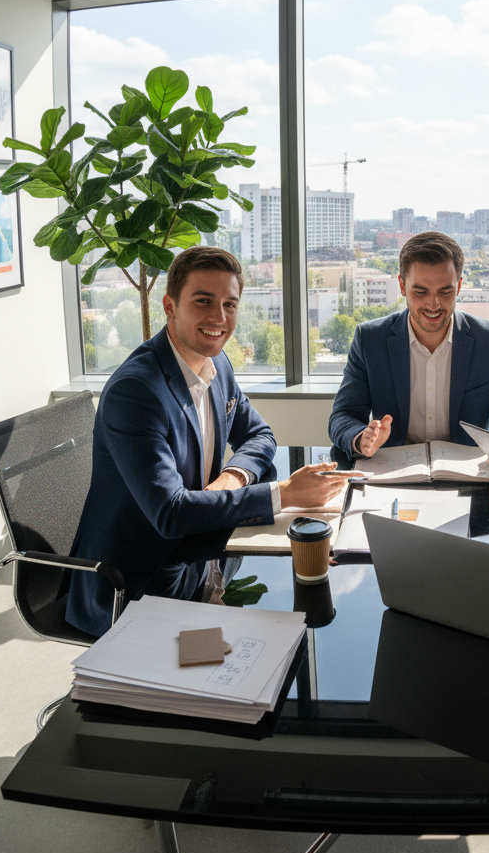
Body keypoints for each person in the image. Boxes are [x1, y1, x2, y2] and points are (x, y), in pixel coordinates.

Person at [67, 246, 350, 637]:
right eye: (204, 301)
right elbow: (171, 514)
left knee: (302, 623)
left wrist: (233, 475)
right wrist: (284, 493)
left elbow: (260, 436)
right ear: (169, 305)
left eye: (229, 304)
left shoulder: (217, 364)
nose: (219, 318)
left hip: (204, 553)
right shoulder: (136, 392)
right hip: (139, 584)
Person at [328, 232, 489, 459]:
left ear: (459, 286)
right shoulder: (370, 339)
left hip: (468, 478)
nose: (433, 304)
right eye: (420, 292)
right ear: (402, 285)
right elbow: (343, 415)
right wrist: (362, 438)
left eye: (445, 291)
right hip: (393, 473)